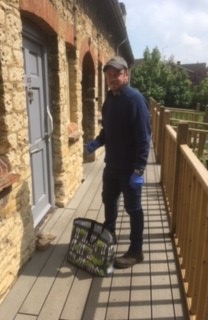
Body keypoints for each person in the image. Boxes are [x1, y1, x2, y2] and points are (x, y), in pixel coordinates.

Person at [86, 56, 151, 269]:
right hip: (112, 165)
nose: (112, 78)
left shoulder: (135, 100)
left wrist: (139, 169)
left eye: (117, 74)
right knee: (108, 200)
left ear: (126, 74)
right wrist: (97, 142)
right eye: (109, 74)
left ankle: (136, 251)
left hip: (130, 169)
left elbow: (144, 137)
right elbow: (108, 130)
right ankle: (109, 234)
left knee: (133, 209)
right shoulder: (110, 99)